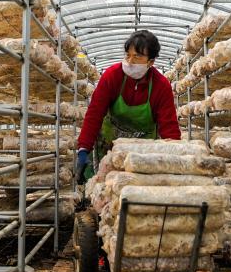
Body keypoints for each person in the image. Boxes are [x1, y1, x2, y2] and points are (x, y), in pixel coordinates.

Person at [76, 29, 181, 184]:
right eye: (128, 55)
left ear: (151, 62)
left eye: (137, 56)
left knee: (137, 186)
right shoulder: (112, 76)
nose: (130, 61)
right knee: (105, 185)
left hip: (143, 148)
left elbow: (169, 125)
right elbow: (95, 113)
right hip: (109, 142)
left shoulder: (161, 85)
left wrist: (176, 160)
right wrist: (83, 148)